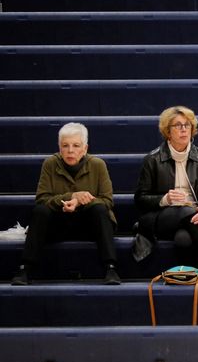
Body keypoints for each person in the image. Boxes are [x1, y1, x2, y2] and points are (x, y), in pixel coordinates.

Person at [12, 122, 120, 285]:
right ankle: (25, 269)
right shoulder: (50, 164)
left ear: (85, 148)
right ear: (59, 147)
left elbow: (107, 201)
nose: (70, 150)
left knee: (99, 209)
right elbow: (42, 199)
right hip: (59, 224)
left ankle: (111, 269)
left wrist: (80, 202)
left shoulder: (98, 165)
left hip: (89, 226)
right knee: (40, 211)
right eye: (65, 145)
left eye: (76, 145)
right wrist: (71, 196)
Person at [134, 106, 198, 279]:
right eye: (177, 125)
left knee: (183, 240)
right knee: (188, 211)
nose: (184, 129)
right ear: (167, 132)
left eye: (187, 125)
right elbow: (140, 199)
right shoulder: (152, 159)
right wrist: (165, 199)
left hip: (194, 217)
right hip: (163, 217)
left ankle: (189, 279)